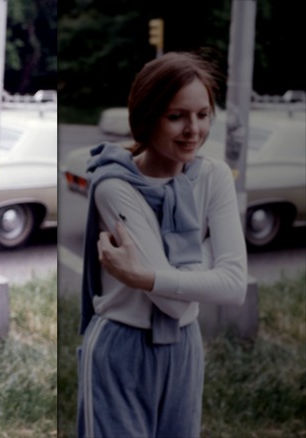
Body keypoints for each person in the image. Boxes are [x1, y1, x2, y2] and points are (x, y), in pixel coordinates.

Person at [76, 51, 248, 437]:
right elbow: (172, 300)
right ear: (147, 117)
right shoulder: (113, 184)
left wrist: (147, 274)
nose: (193, 130)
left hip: (186, 346)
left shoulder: (214, 176)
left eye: (202, 115)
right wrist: (209, 259)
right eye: (176, 116)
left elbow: (235, 285)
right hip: (122, 346)